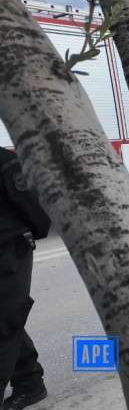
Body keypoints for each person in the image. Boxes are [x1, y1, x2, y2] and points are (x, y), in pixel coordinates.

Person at [1, 147, 51, 410]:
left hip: (8, 251)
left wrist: (32, 233)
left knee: (5, 321)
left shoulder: (6, 163)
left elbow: (33, 209)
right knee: (6, 318)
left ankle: (30, 383)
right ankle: (30, 381)